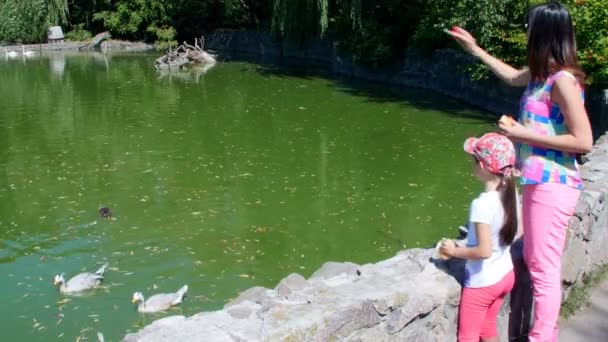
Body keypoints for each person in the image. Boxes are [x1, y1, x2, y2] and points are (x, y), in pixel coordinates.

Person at [446, 2, 593, 341]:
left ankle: (543, 337)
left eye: (529, 26)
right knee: (533, 257)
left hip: (554, 183)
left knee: (543, 268)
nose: (526, 31)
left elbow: (583, 140)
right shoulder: (542, 73)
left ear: (543, 34)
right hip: (537, 181)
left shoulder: (563, 81)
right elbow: (513, 77)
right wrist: (475, 50)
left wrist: (519, 133)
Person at [440, 132, 519, 342]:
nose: (472, 164)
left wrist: (453, 250)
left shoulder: (482, 204)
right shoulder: (511, 195)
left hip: (484, 283)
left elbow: (483, 251)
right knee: (487, 327)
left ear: (482, 166)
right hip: (505, 274)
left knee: (468, 336)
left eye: (474, 160)